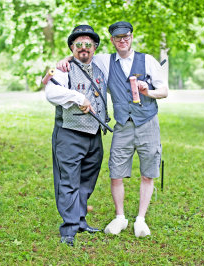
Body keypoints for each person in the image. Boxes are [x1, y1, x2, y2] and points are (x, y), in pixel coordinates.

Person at [57, 21, 168, 238]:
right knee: (116, 173)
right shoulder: (105, 60)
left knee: (148, 172)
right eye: (118, 38)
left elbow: (164, 90)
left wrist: (149, 92)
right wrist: (64, 60)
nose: (123, 41)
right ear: (112, 40)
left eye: (126, 36)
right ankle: (120, 217)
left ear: (132, 36)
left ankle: (141, 220)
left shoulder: (148, 60)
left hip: (147, 122)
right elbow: (82, 52)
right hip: (123, 125)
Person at [44, 25, 109, 246]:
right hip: (70, 134)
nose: (84, 48)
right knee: (69, 181)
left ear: (95, 48)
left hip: (94, 135)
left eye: (88, 44)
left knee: (86, 182)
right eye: (78, 44)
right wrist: (79, 98)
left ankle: (80, 221)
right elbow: (51, 93)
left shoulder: (100, 66)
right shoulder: (63, 70)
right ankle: (69, 229)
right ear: (72, 47)